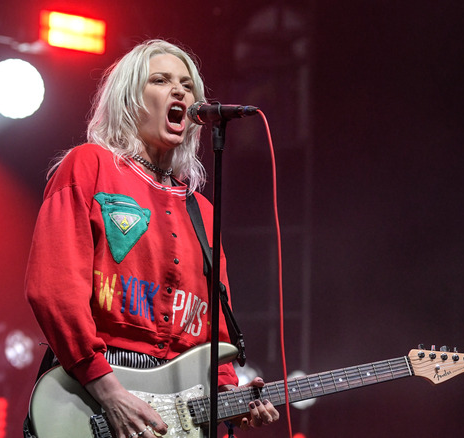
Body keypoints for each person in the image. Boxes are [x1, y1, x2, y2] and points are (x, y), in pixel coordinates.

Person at [24, 39, 279, 438]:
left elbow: (216, 330)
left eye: (187, 84)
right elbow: (53, 289)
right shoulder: (88, 165)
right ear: (130, 100)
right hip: (94, 390)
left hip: (176, 413)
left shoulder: (202, 212)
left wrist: (229, 398)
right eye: (160, 80)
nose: (179, 91)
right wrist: (108, 390)